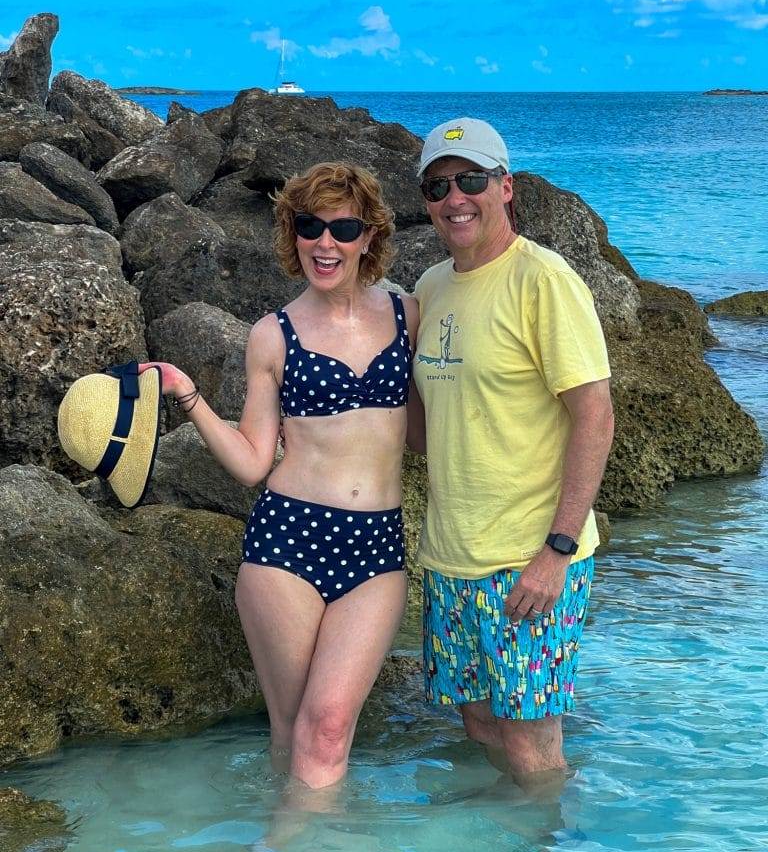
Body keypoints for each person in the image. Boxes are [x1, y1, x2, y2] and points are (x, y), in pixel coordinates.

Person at [144, 162, 418, 792]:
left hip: (377, 546)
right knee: (293, 729)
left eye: (343, 227)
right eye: (309, 226)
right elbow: (251, 463)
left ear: (369, 235)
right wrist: (187, 395)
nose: (326, 242)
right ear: (292, 234)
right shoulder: (273, 334)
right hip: (286, 539)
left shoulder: (410, 314)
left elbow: (448, 407)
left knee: (326, 729)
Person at [406, 118, 614, 786]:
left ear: (505, 187)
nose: (455, 198)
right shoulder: (430, 287)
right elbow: (427, 420)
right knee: (477, 722)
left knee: (530, 746)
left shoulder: (542, 280)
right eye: (439, 186)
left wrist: (556, 551)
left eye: (471, 180)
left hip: (529, 563)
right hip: (451, 556)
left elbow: (595, 415)